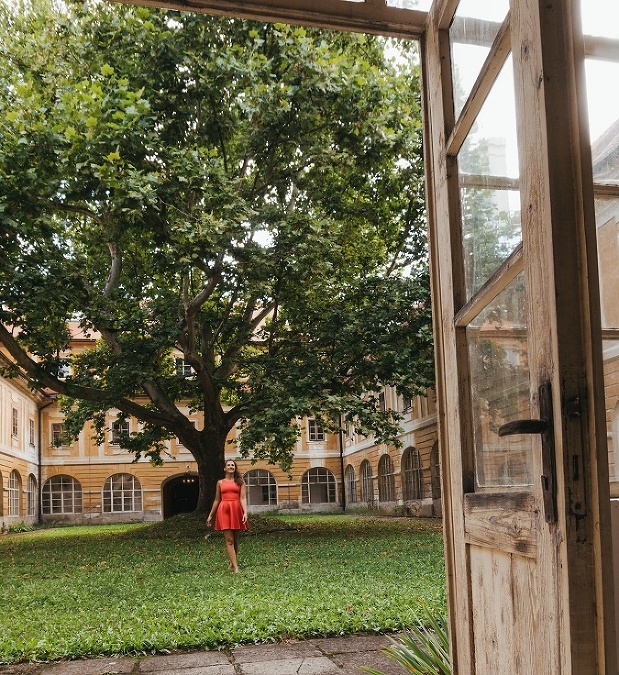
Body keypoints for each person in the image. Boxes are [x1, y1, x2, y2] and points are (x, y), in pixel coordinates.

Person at [206, 459, 248, 572]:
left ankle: (231, 563)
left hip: (236, 509)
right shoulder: (220, 483)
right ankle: (236, 567)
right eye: (228, 465)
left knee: (236, 539)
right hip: (224, 510)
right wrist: (210, 515)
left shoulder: (240, 482)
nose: (231, 466)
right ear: (225, 468)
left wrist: (245, 512)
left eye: (233, 465)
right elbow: (216, 500)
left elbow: (243, 498)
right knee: (229, 540)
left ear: (235, 468)